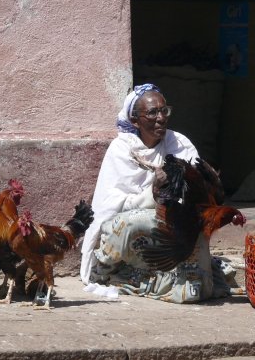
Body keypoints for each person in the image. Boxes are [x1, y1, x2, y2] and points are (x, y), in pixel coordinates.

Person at [79, 83, 239, 303]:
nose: (161, 118)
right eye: (152, 112)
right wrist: (151, 195)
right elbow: (110, 205)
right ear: (135, 120)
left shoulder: (179, 143)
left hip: (174, 230)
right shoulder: (121, 149)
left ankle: (172, 277)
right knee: (134, 223)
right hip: (130, 231)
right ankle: (115, 271)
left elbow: (197, 191)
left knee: (189, 225)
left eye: (164, 111)